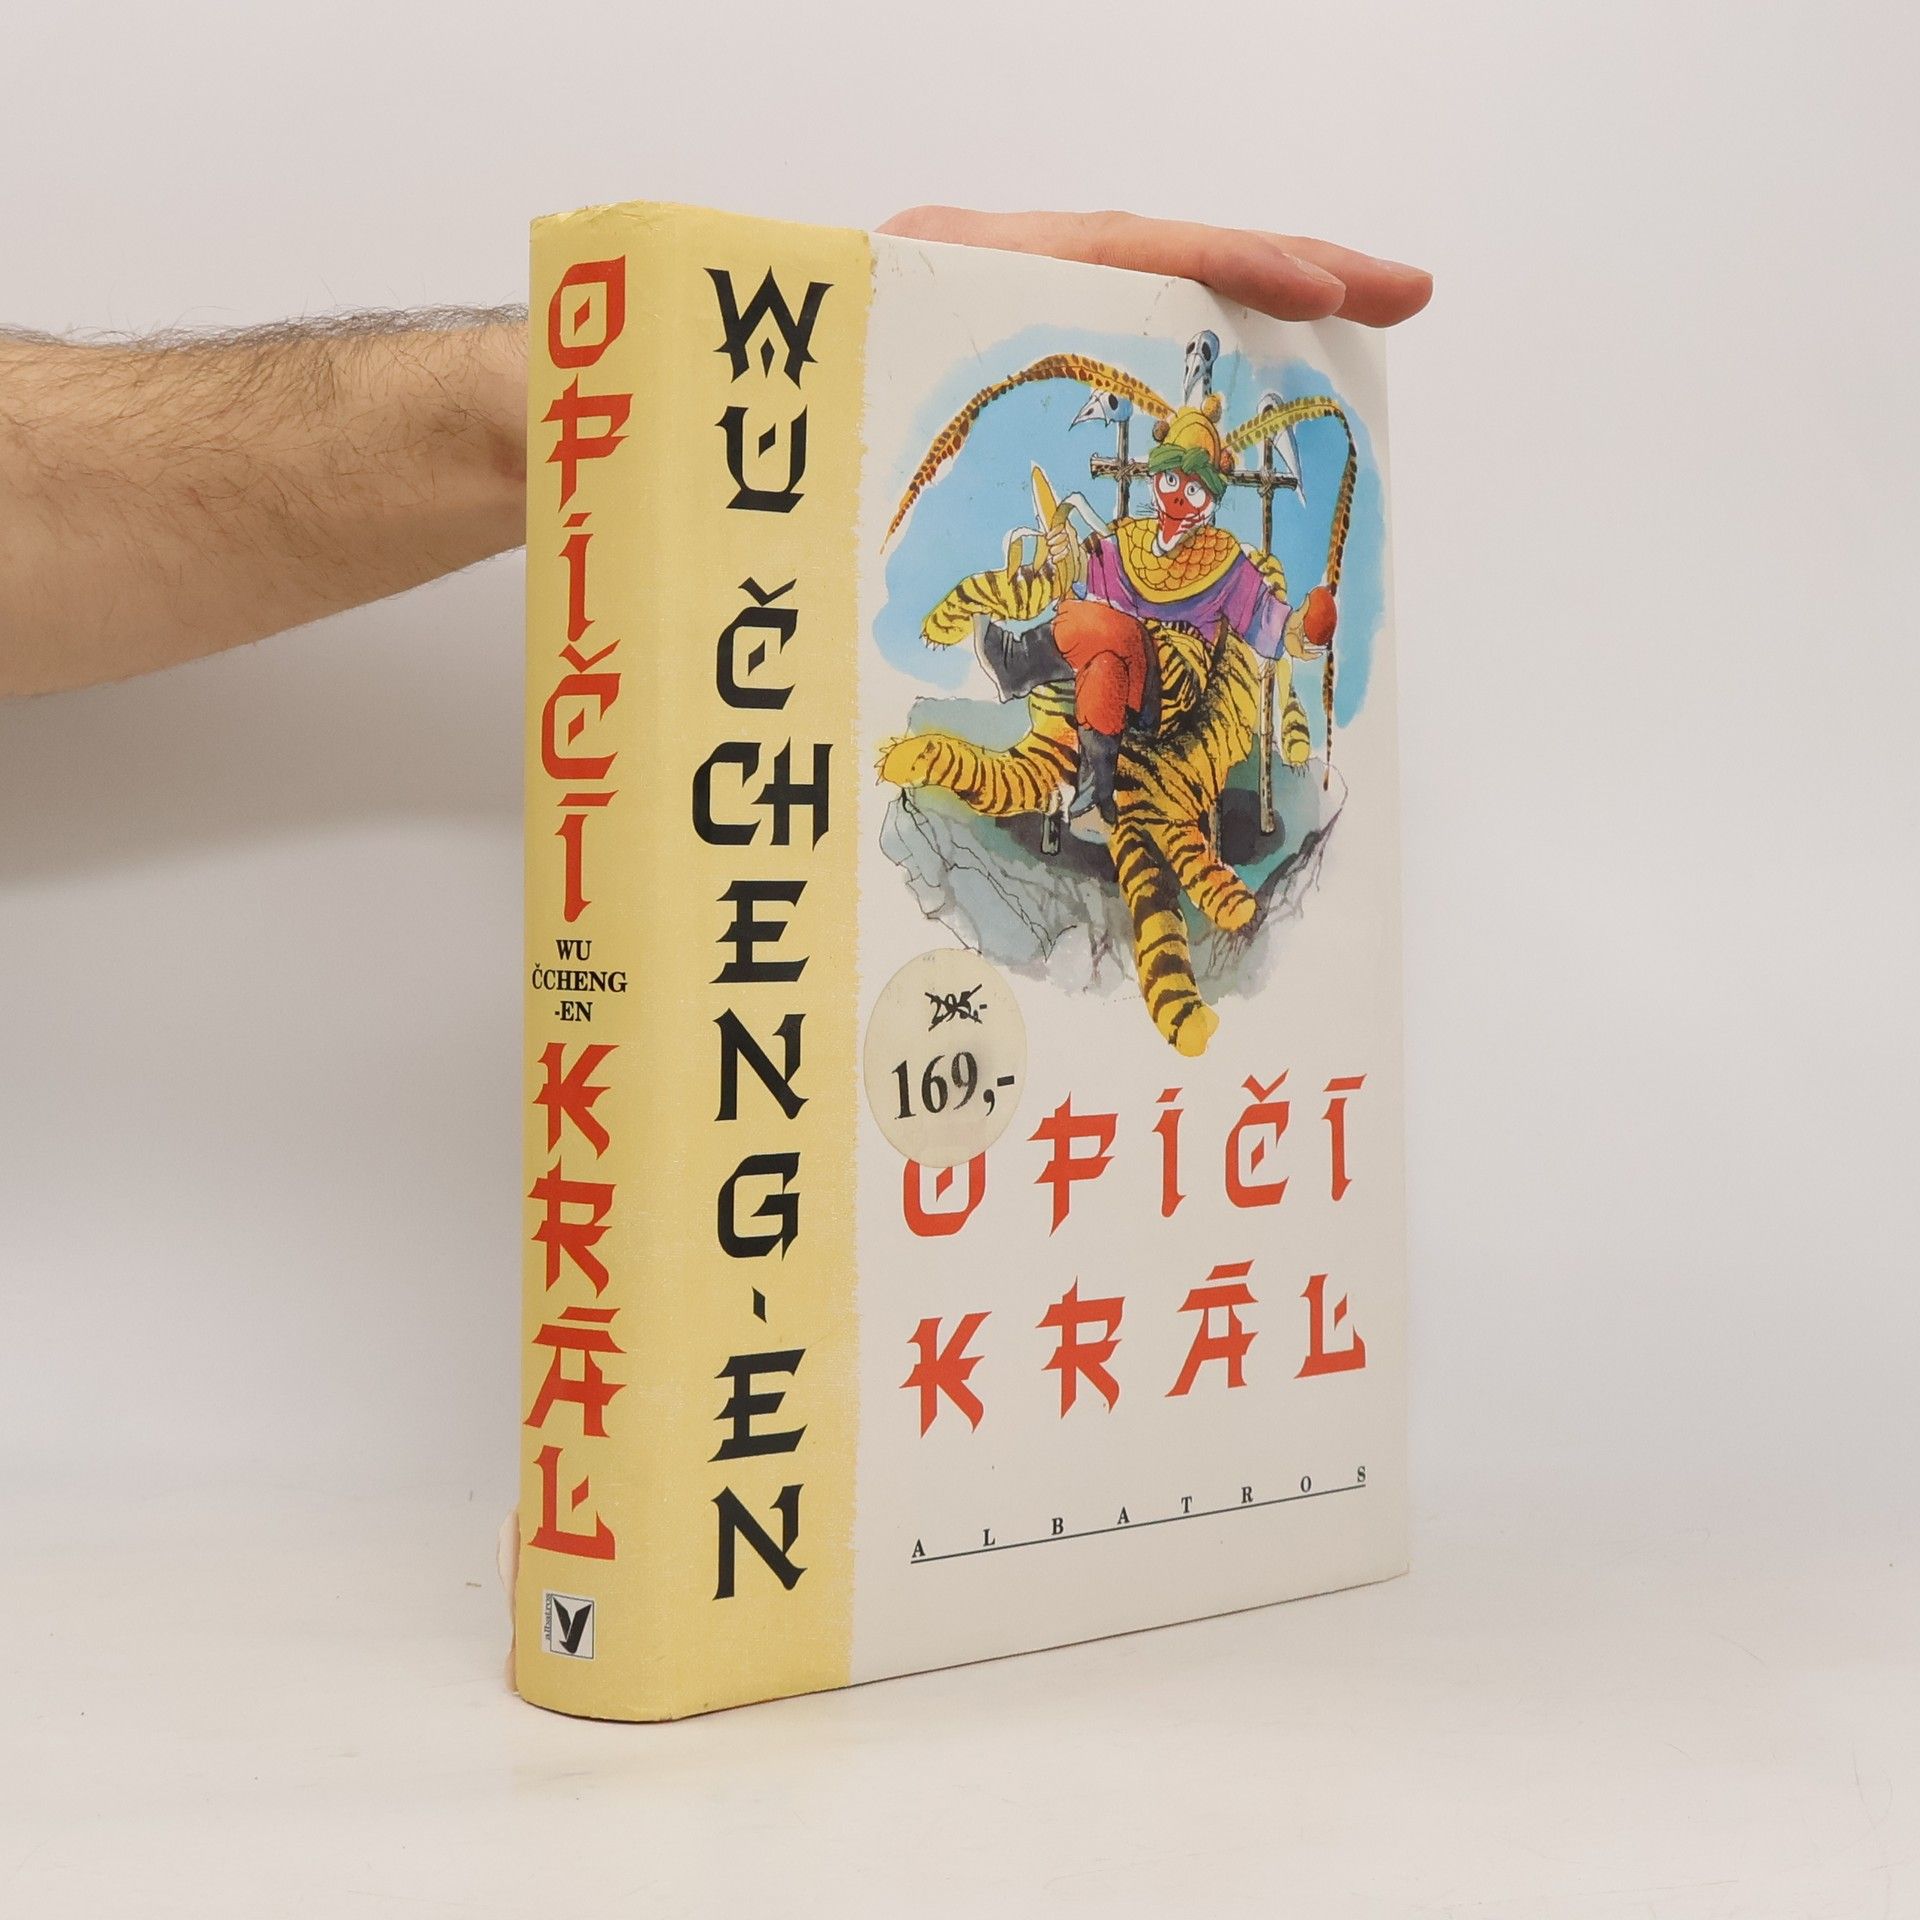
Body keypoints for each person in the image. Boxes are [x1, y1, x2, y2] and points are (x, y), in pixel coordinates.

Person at [0, 208, 1429, 701]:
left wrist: (1299, 621)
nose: (1172, 491)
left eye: (1191, 480)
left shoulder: (1227, 563)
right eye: (1163, 474)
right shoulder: (1124, 542)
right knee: (1076, 637)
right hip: (1104, 677)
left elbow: (1264, 623)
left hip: (1187, 699)